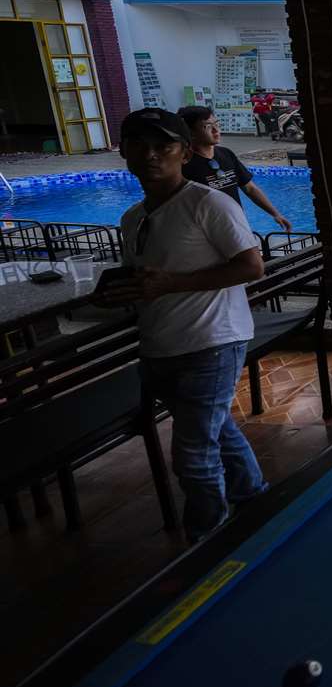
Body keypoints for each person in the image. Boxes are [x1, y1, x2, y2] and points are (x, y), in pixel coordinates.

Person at [99, 108, 267, 542]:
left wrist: (174, 284)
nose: (151, 155)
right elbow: (148, 280)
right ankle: (255, 500)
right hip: (161, 346)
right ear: (123, 151)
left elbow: (252, 266)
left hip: (212, 341)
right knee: (218, 432)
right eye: (139, 145)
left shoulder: (208, 205)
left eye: (164, 146)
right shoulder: (133, 218)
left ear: (184, 152)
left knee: (193, 456)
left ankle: (206, 543)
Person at [177, 106, 293, 233]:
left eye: (216, 124)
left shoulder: (226, 154)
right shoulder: (183, 165)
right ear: (190, 133)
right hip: (205, 231)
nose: (216, 130)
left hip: (236, 225)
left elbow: (249, 188)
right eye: (208, 126)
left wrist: (275, 214)